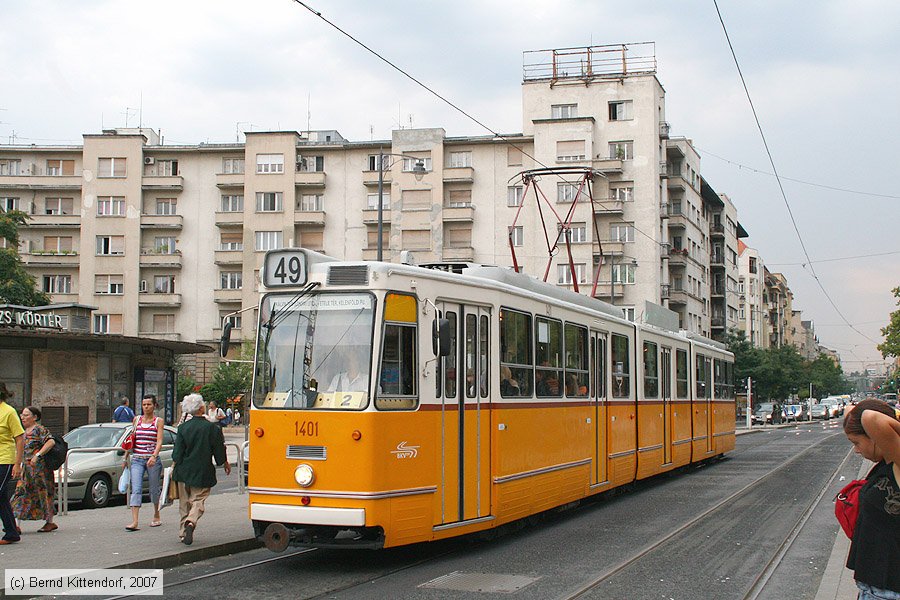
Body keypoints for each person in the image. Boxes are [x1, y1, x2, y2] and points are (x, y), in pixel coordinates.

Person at [842, 399, 900, 599]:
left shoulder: (898, 465)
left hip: (888, 592)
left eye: (856, 442)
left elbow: (870, 417)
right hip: (875, 589)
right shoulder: (887, 465)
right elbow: (852, 411)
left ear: (874, 436)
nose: (856, 450)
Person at [172, 394, 230, 545]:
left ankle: (183, 532)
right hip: (202, 470)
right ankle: (191, 521)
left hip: (183, 471)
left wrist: (174, 466)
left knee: (184, 503)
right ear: (201, 408)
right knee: (198, 499)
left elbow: (177, 454)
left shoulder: (183, 428)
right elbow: (219, 449)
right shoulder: (211, 428)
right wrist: (224, 462)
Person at [11, 406, 57, 533]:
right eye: (22, 415)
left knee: (44, 493)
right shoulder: (22, 432)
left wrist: (38, 455)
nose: (23, 417)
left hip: (40, 470)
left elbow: (51, 442)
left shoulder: (39, 429)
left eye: (26, 415)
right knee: (20, 493)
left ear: (35, 417)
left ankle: (49, 522)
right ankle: (16, 525)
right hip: (26, 470)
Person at [126, 394, 164, 531]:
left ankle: (156, 514)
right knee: (136, 488)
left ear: (154, 406)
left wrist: (154, 455)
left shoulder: (158, 421)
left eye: (149, 404)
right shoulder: (136, 420)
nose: (146, 407)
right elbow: (132, 438)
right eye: (144, 404)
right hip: (137, 458)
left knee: (154, 489)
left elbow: (159, 440)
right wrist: (126, 456)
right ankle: (135, 521)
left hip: (152, 459)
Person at [0, 382, 24, 545]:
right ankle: (11, 531)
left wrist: (17, 464)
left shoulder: (9, 412)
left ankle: (11, 532)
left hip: (5, 459)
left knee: (0, 493)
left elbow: (19, 438)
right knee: (1, 497)